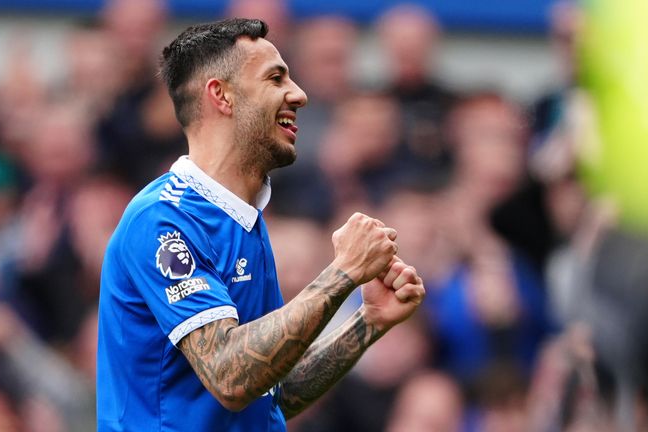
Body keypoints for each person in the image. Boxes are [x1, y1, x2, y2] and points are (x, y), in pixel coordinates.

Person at [96, 18, 426, 431]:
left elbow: (268, 395)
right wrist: (342, 274)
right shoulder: (163, 221)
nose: (299, 94)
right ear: (222, 95)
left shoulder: (242, 219)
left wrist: (367, 322)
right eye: (276, 78)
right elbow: (231, 377)